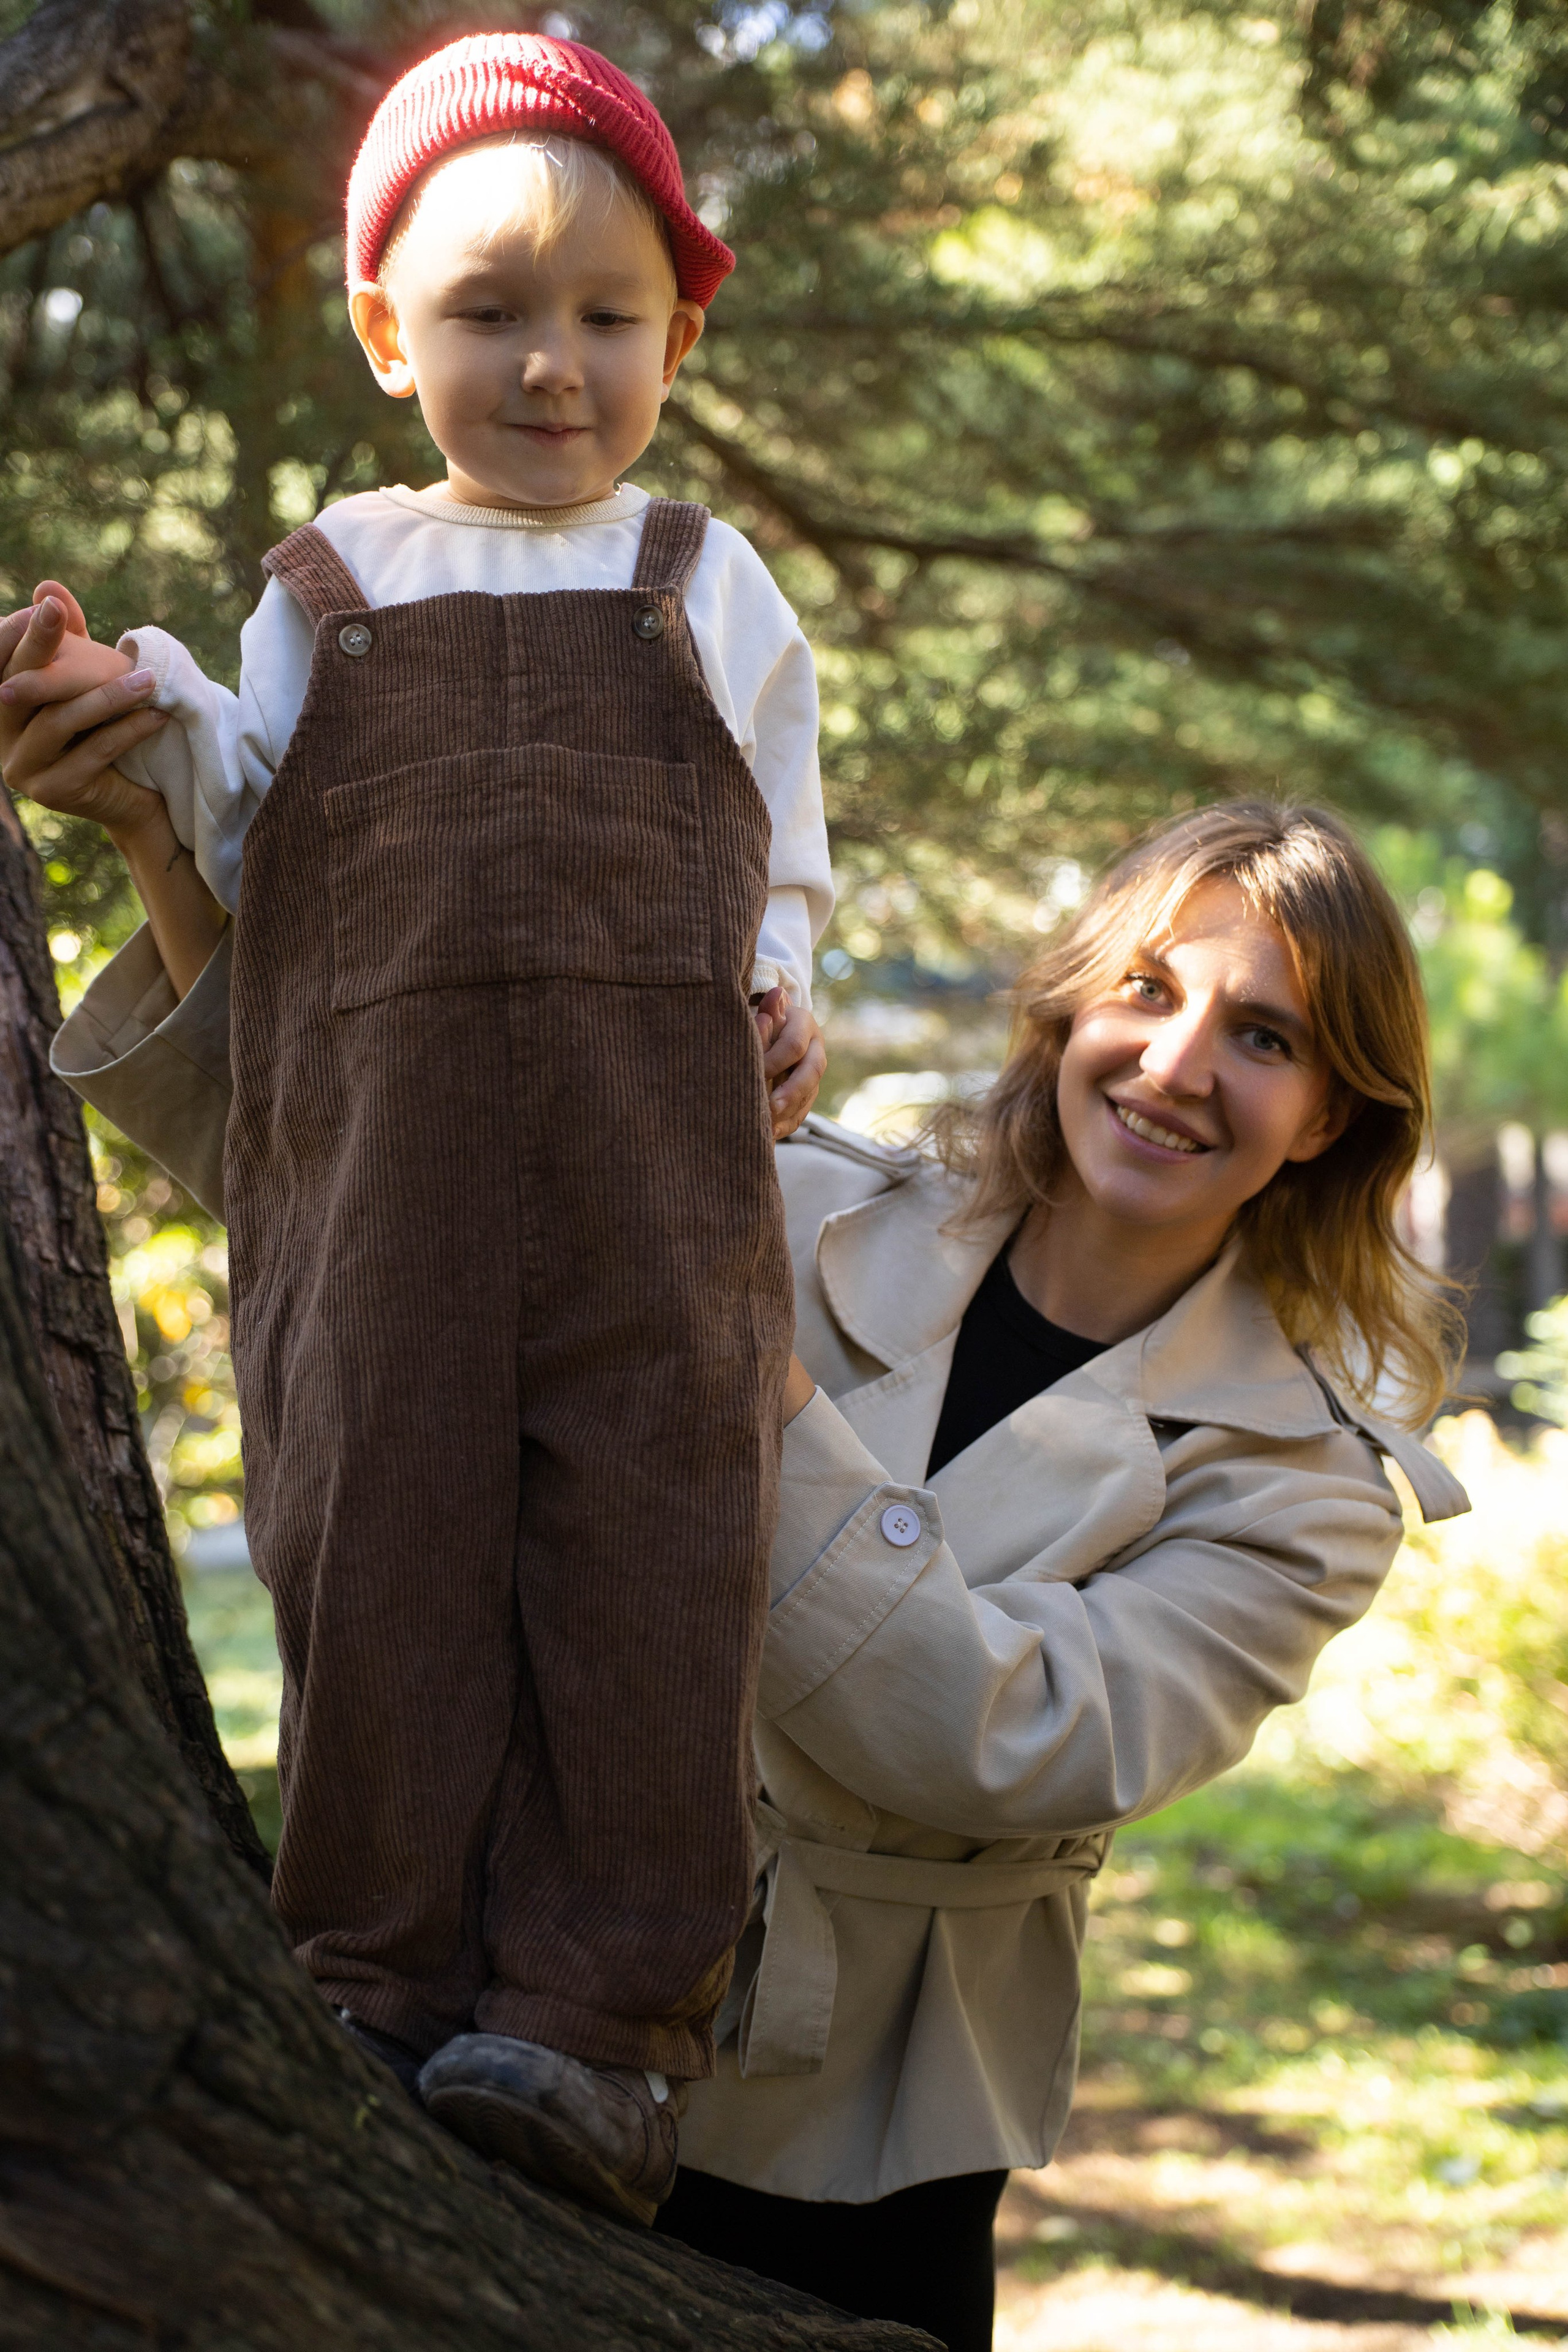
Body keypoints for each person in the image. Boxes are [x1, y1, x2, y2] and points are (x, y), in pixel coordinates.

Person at [33, 792, 1468, 2341]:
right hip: (491, 2014)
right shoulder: (784, 1196)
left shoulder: (1305, 1478)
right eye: (1147, 988)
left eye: (1264, 1038)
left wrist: (742, 1384)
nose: (1177, 1064)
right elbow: (368, 1201)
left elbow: (1020, 1737)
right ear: (1067, 1004)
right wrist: (155, 841)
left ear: (1330, 1116)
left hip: (842, 2152)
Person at [0, 32, 832, 2230]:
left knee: (653, 1570)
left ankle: (597, 2026)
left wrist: (791, 987)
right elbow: (251, 842)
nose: (551, 367)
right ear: (386, 331)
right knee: (374, 1540)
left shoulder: (705, 574)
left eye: (606, 318)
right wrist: (135, 709)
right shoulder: (323, 589)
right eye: (486, 313)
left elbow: (794, 847)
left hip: (664, 1198)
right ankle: (369, 1973)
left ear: (679, 329)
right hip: (376, 1186)